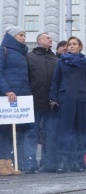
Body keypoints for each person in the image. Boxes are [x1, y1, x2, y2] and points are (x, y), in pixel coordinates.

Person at [49, 36, 86, 173]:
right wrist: (53, 98)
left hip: (81, 99)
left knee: (80, 131)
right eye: (69, 44)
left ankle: (78, 162)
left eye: (74, 44)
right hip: (65, 99)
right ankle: (62, 161)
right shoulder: (61, 61)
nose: (71, 46)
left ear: (80, 47)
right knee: (64, 131)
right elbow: (56, 80)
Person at [0, 26, 36, 175]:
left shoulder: (22, 54)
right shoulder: (3, 50)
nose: (23, 38)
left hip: (21, 98)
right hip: (7, 97)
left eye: (24, 35)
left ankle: (11, 163)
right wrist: (6, 90)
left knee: (15, 132)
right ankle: (2, 163)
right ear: (12, 36)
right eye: (21, 35)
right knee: (3, 132)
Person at [26, 32, 58, 172]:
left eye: (51, 38)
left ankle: (48, 163)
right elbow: (25, 78)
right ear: (39, 41)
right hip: (34, 102)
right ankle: (30, 163)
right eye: (47, 38)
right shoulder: (29, 57)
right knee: (31, 134)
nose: (51, 39)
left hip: (51, 104)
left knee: (49, 134)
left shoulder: (55, 58)